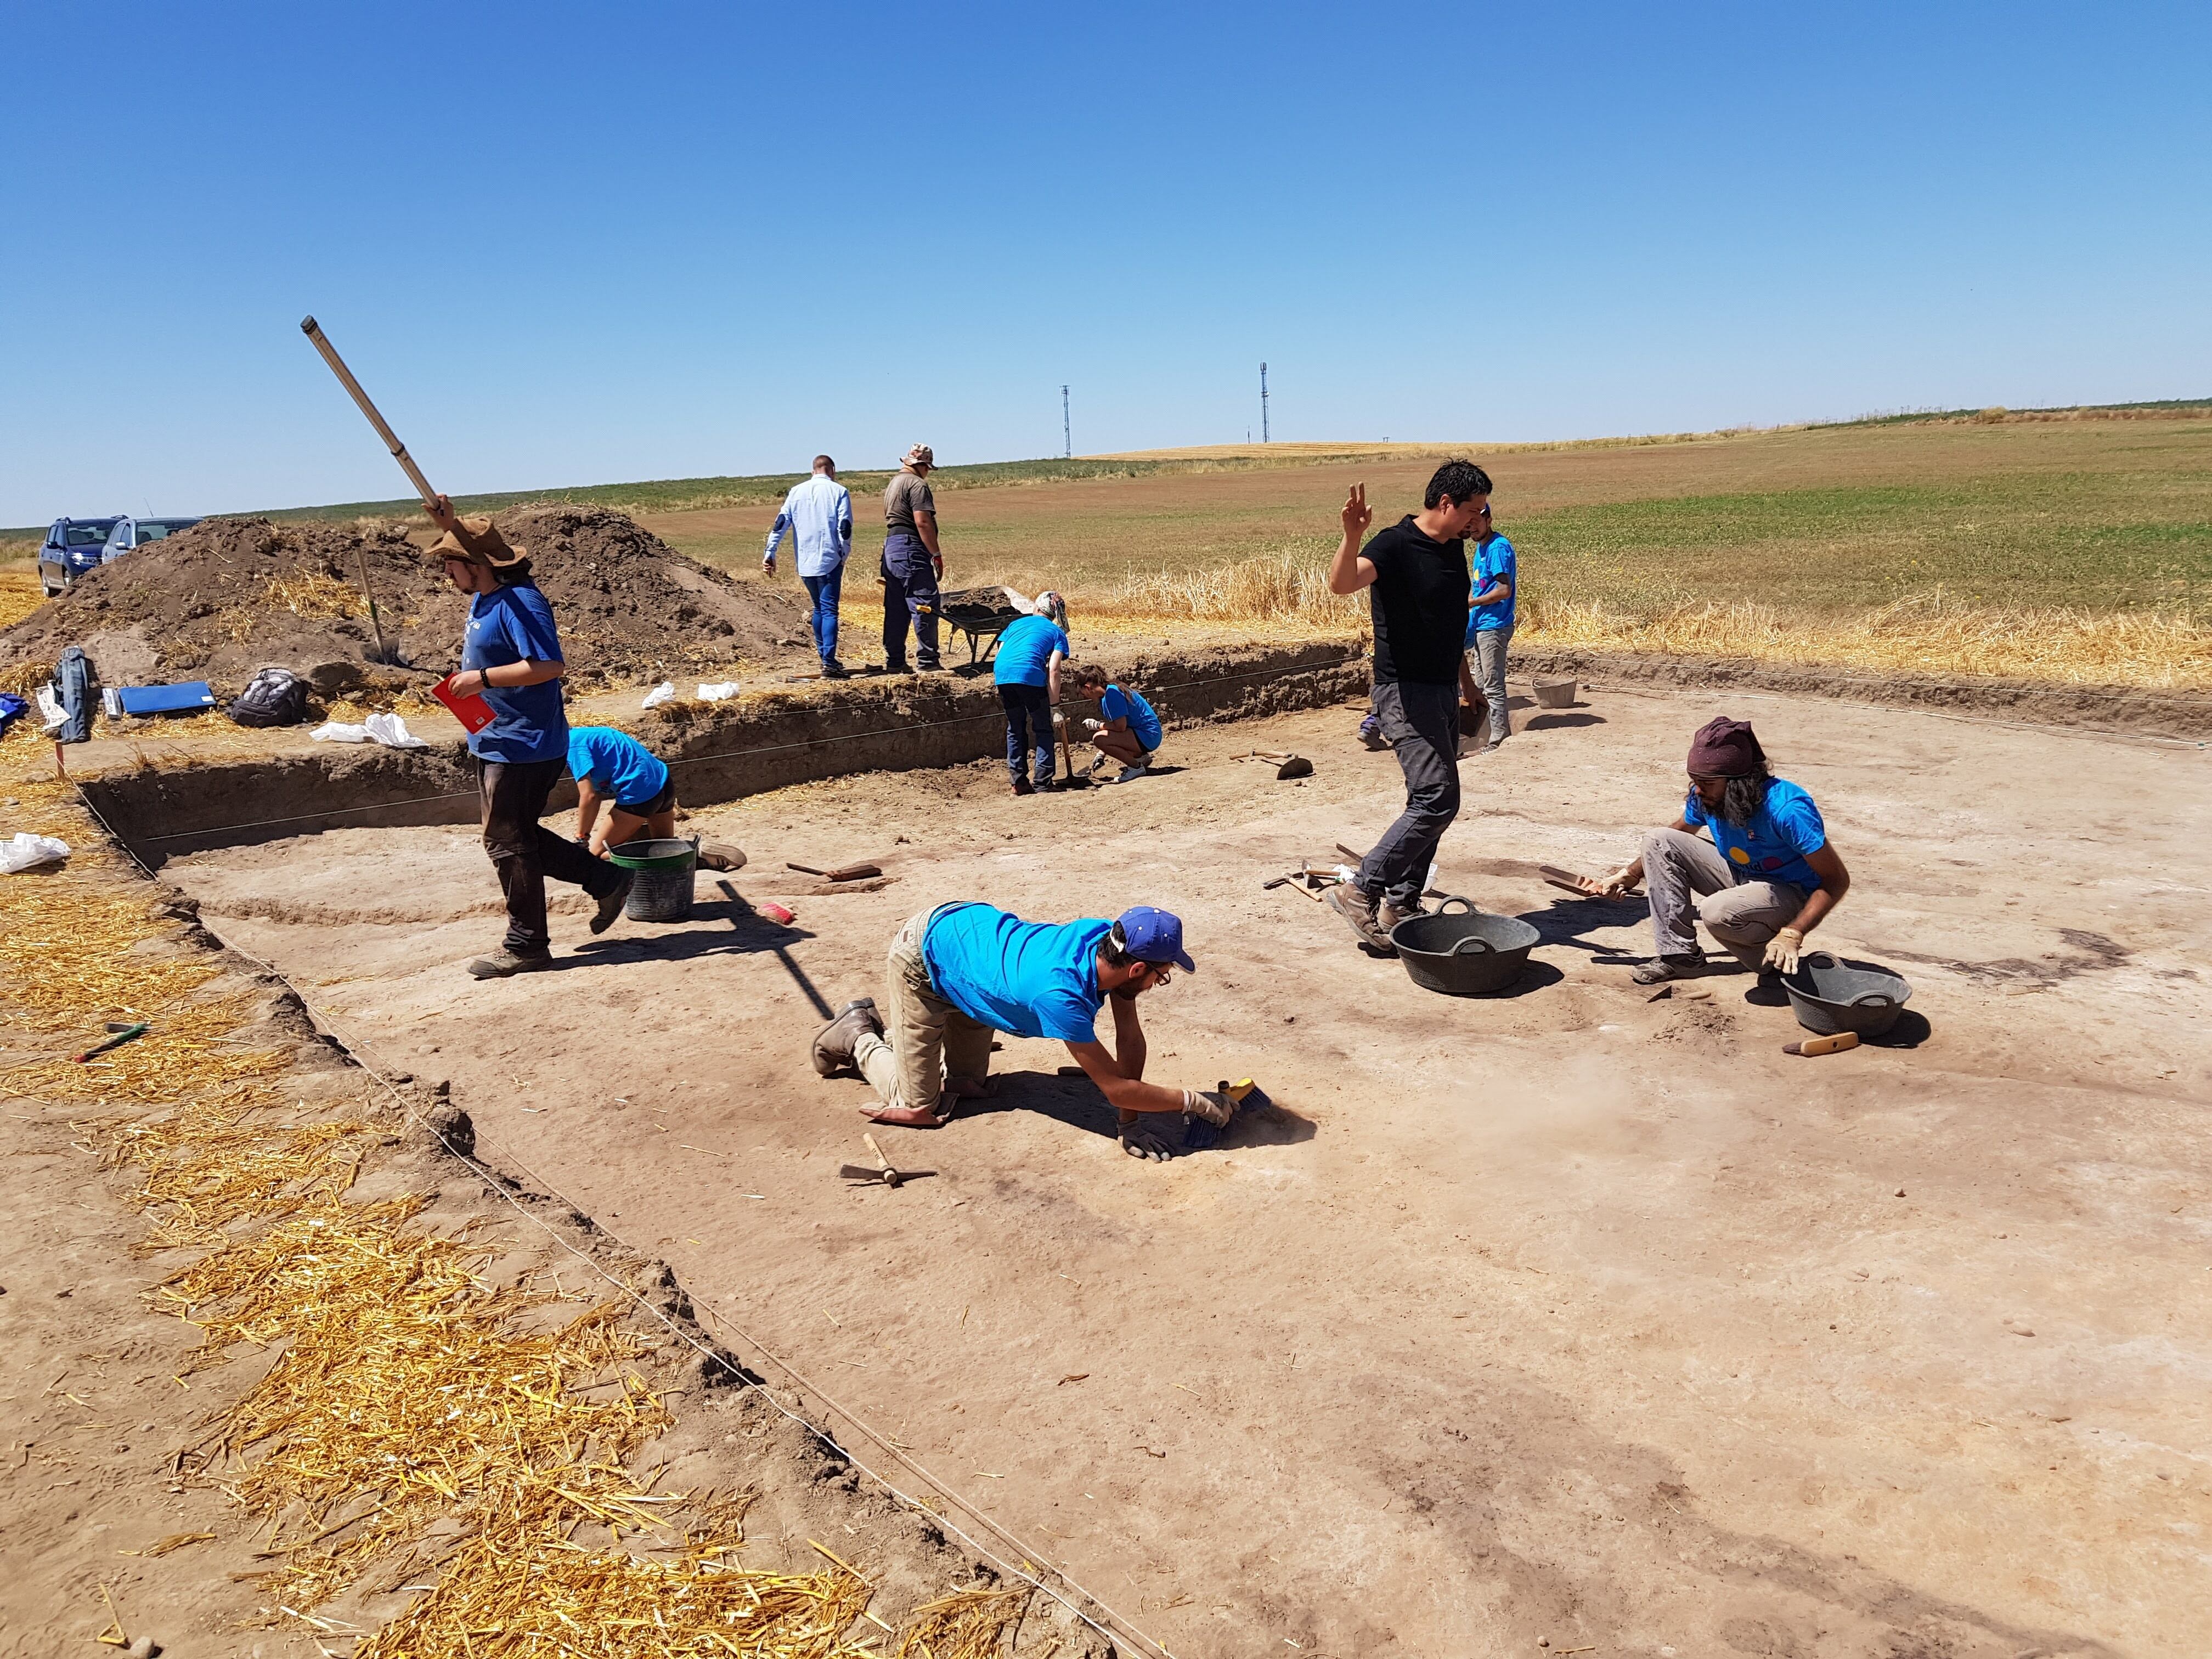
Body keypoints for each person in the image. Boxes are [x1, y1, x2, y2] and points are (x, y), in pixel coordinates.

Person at [809, 902, 1233, 1160]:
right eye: (1161, 976)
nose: (1158, 984)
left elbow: (1129, 1040)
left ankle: (937, 1029)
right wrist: (1191, 1101)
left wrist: (1130, 1124)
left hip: (974, 962)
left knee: (968, 1085)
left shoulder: (1109, 943)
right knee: (922, 1107)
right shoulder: (1059, 995)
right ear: (1138, 968)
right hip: (925, 956)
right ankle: (857, 1033)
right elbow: (1117, 1088)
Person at [425, 496, 631, 978]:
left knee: (507, 843)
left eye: (450, 566)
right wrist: (446, 522)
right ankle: (604, 878)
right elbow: (475, 546)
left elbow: (550, 666)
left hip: (525, 744)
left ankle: (527, 945)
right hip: (495, 737)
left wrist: (484, 679)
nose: (446, 576)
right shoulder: (487, 592)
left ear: (475, 567)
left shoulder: (521, 602)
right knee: (511, 836)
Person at [1322, 460, 1491, 955]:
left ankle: (1402, 902)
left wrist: (1466, 684)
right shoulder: (1395, 545)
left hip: (1440, 689)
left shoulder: (1453, 550)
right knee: (1436, 798)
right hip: (1403, 691)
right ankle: (1361, 890)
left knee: (1436, 802)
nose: (1477, 520)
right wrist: (1352, 535)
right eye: (1472, 511)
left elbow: (1447, 622)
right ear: (1445, 504)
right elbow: (1342, 583)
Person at [1583, 717, 1852, 985]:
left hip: (1791, 892)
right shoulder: (1709, 796)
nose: (1698, 791)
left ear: (1739, 783)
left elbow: (1836, 880)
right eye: (1695, 782)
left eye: (1707, 783)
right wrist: (1628, 875)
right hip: (1742, 876)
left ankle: (1779, 967)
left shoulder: (1788, 810)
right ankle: (1681, 956)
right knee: (1660, 840)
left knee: (1717, 912)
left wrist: (1794, 932)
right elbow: (1678, 834)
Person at [762, 455, 854, 676]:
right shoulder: (839, 492)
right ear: (832, 470)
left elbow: (781, 523)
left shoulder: (796, 492)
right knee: (830, 609)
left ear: (813, 471)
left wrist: (770, 552)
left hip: (805, 561)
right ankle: (829, 663)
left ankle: (825, 658)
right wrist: (844, 552)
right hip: (830, 559)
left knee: (818, 608)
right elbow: (845, 527)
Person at [992, 592, 1069, 794]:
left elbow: (1000, 654)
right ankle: (1043, 782)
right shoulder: (1056, 632)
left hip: (1003, 676)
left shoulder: (1015, 625)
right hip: (1029, 677)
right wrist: (1055, 708)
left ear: (1036, 609)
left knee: (1015, 727)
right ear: (1055, 615)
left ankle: (1018, 782)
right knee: (1043, 728)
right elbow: (1054, 669)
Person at [1458, 500, 1516, 755]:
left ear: (1489, 520)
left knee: (1492, 684)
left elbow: (1504, 590)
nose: (1472, 528)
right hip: (1482, 623)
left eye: (1477, 522)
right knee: (1480, 683)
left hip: (1494, 624)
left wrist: (1470, 602)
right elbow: (1482, 585)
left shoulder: (1498, 548)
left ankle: (1499, 739)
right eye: (1469, 524)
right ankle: (1484, 735)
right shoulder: (1481, 548)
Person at [882, 444, 945, 673]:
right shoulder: (917, 484)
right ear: (922, 465)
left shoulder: (894, 483)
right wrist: (936, 554)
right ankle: (928, 662)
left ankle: (895, 661)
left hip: (891, 547)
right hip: (910, 547)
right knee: (924, 602)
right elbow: (922, 522)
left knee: (897, 606)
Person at [1069, 662, 1163, 783]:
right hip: (1145, 734)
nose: (1085, 696)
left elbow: (1120, 727)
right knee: (1103, 738)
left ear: (1088, 687)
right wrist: (1102, 753)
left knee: (1098, 738)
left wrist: (1096, 726)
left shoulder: (1112, 694)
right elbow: (1115, 730)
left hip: (1148, 736)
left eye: (1083, 693)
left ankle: (1136, 768)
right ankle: (1141, 758)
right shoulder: (1108, 693)